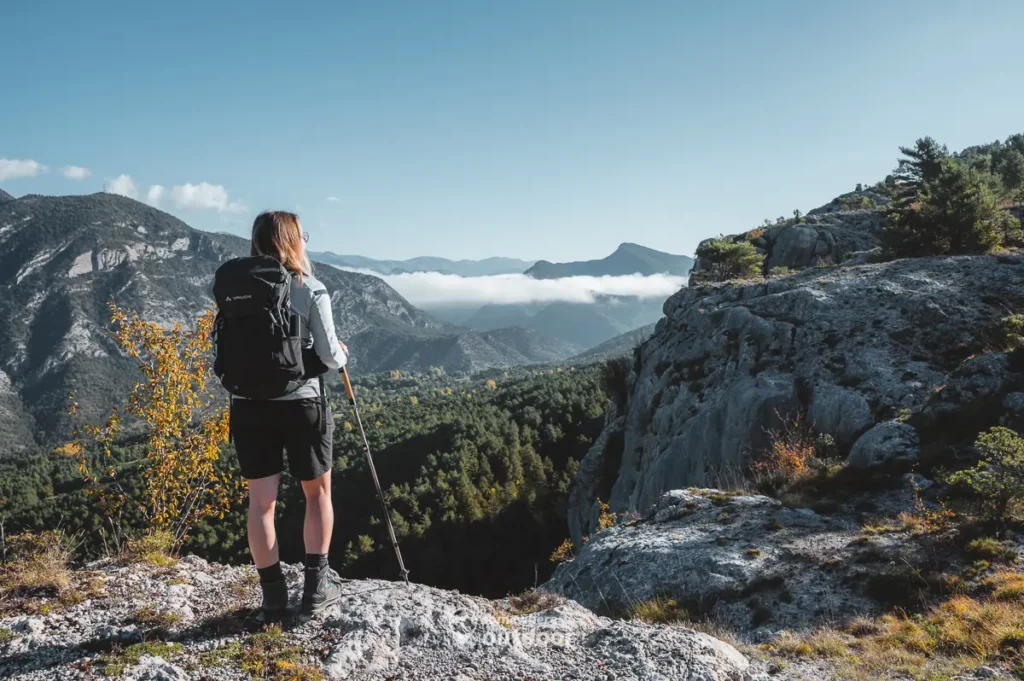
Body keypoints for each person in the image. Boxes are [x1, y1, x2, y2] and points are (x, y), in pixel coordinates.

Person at [228, 210, 349, 616]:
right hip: (302, 404)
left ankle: (273, 597)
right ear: (294, 240)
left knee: (261, 504)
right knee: (317, 495)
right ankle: (317, 588)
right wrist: (343, 352)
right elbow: (331, 357)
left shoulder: (235, 289)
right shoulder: (309, 287)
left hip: (247, 407)